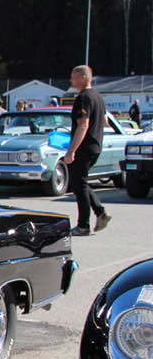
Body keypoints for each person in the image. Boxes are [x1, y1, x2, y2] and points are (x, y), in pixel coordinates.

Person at [64, 65, 111, 236]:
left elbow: (83, 125)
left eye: (74, 77)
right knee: (80, 182)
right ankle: (100, 213)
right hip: (95, 145)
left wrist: (71, 150)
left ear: (83, 77)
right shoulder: (98, 97)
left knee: (78, 183)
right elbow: (105, 121)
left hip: (85, 147)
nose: (71, 80)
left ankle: (83, 225)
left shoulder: (83, 97)